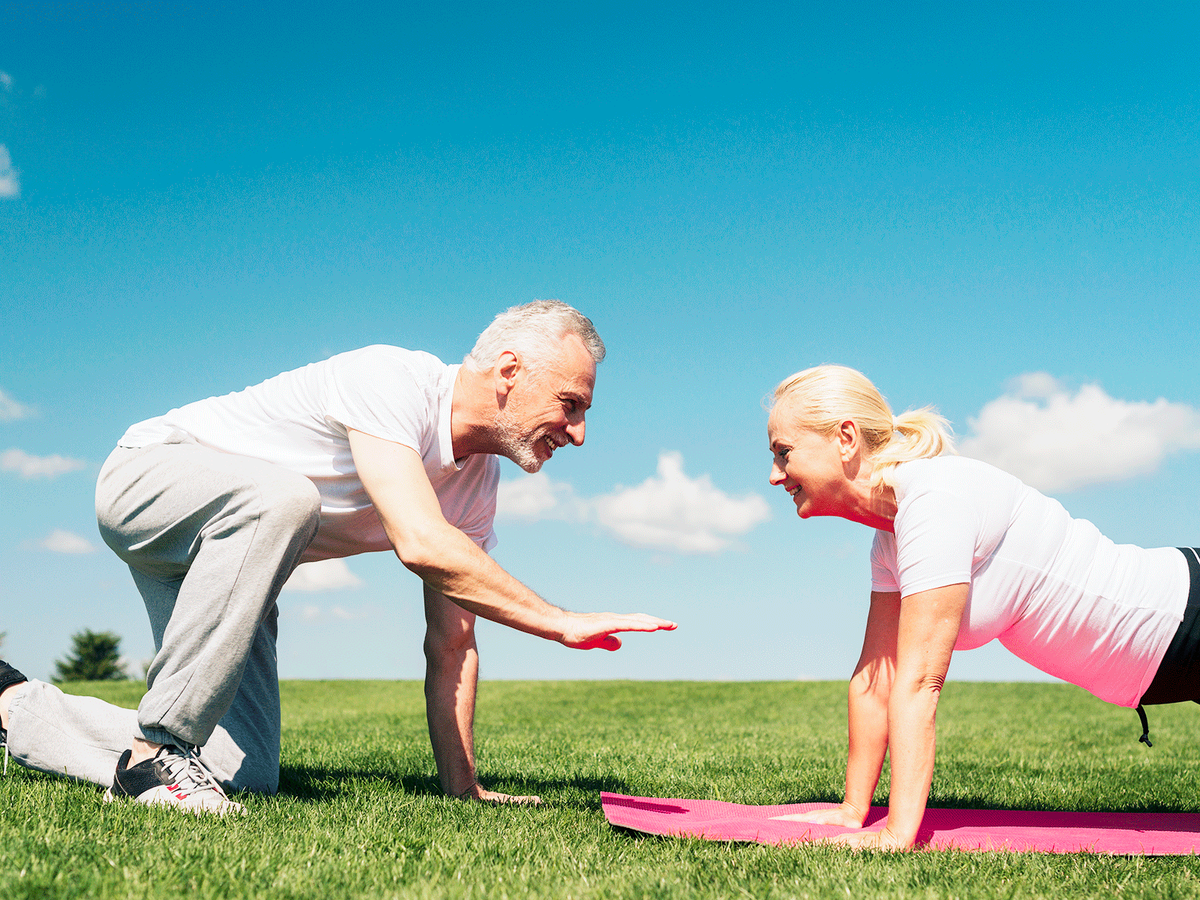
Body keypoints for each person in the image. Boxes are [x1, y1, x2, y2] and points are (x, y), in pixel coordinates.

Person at [0, 300, 676, 815]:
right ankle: (157, 756)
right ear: (508, 372)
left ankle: (10, 705)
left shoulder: (473, 485)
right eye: (571, 405)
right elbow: (420, 544)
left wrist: (464, 788)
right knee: (287, 499)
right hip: (149, 480)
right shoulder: (394, 379)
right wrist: (558, 621)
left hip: (231, 565)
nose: (579, 433)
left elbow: (453, 645)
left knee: (246, 769)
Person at [764, 364, 1197, 850]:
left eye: (784, 453)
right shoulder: (890, 540)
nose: (775, 475)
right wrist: (852, 811)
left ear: (846, 438)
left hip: (1186, 618)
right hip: (1169, 659)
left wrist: (897, 834)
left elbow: (920, 680)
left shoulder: (934, 502)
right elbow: (876, 677)